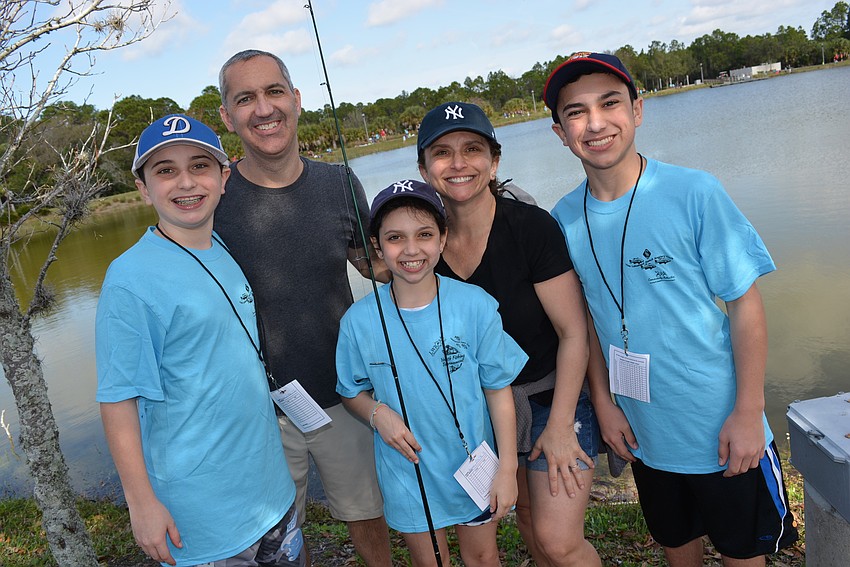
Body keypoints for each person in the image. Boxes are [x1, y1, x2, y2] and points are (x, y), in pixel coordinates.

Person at [545, 52, 799, 566]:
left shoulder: (693, 192)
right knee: (677, 544)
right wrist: (605, 404)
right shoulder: (563, 219)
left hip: (721, 424)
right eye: (576, 112)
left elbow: (744, 304)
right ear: (560, 133)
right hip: (646, 433)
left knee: (742, 552)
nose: (595, 123)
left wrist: (748, 412)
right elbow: (586, 324)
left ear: (637, 111)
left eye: (610, 103)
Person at [96, 114, 305, 567]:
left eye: (199, 165)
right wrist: (141, 503)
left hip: (271, 494)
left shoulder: (222, 248)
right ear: (143, 188)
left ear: (224, 178)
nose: (186, 182)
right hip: (202, 519)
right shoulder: (129, 279)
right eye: (165, 170)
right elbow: (118, 399)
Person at [213, 50, 391, 567]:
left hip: (344, 392)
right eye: (245, 98)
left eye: (274, 92)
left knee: (367, 515)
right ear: (227, 116)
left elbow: (374, 265)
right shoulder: (213, 196)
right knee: (281, 538)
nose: (263, 109)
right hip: (257, 409)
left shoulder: (340, 183)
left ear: (296, 99)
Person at [417, 101, 601, 567]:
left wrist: (560, 425)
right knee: (528, 520)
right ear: (423, 169)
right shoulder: (424, 247)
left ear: (494, 161)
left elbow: (573, 332)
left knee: (558, 540)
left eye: (472, 149)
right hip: (483, 408)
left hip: (550, 395)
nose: (458, 164)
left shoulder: (530, 228)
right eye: (442, 153)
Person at [336, 180, 526, 567]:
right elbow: (350, 391)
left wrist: (508, 467)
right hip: (407, 473)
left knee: (483, 557)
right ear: (377, 247)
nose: (411, 250)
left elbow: (498, 390)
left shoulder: (475, 305)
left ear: (443, 239)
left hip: (473, 465)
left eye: (424, 234)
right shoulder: (357, 321)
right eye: (395, 238)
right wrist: (377, 413)